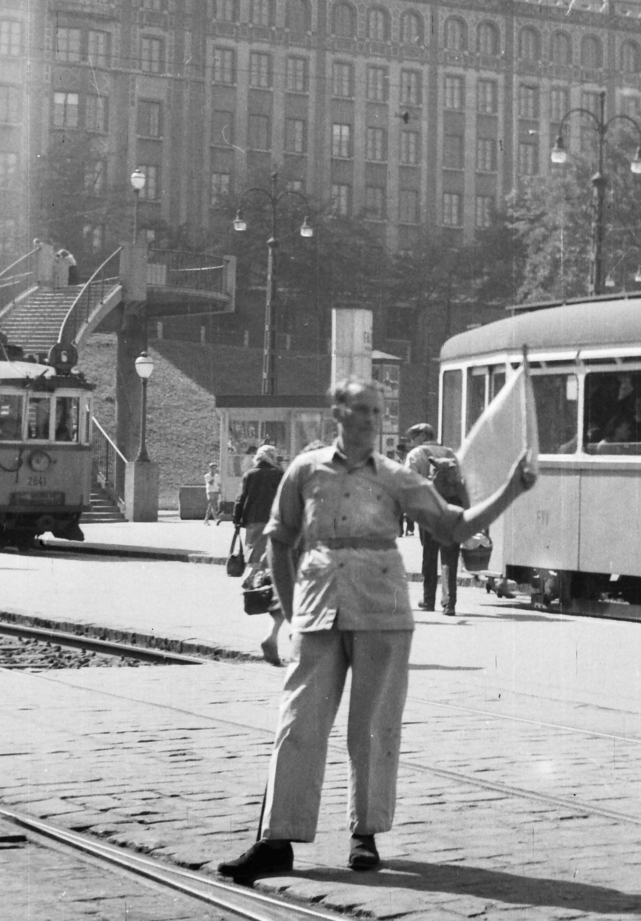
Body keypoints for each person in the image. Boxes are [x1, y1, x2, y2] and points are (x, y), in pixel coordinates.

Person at [218, 377, 536, 882]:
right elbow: (280, 540)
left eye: (377, 411)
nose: (370, 420)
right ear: (337, 413)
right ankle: (276, 840)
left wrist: (510, 491)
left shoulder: (396, 476)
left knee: (372, 728)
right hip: (318, 609)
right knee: (297, 724)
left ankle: (363, 835)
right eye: (361, 410)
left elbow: (453, 525)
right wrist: (289, 610)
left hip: (383, 612)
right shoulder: (304, 469)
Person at [234, 446, 286, 661]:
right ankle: (257, 580)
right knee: (269, 555)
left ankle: (253, 577)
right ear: (272, 458)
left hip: (253, 520)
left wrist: (237, 520)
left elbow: (240, 498)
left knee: (256, 551)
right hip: (273, 520)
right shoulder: (278, 474)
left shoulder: (249, 474)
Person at [404, 423, 461, 613]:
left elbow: (409, 483)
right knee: (449, 556)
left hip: (428, 510)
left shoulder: (416, 455)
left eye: (413, 438)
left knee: (429, 556)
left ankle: (428, 601)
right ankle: (449, 603)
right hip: (451, 509)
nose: (412, 442)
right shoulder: (450, 453)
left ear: (421, 436)